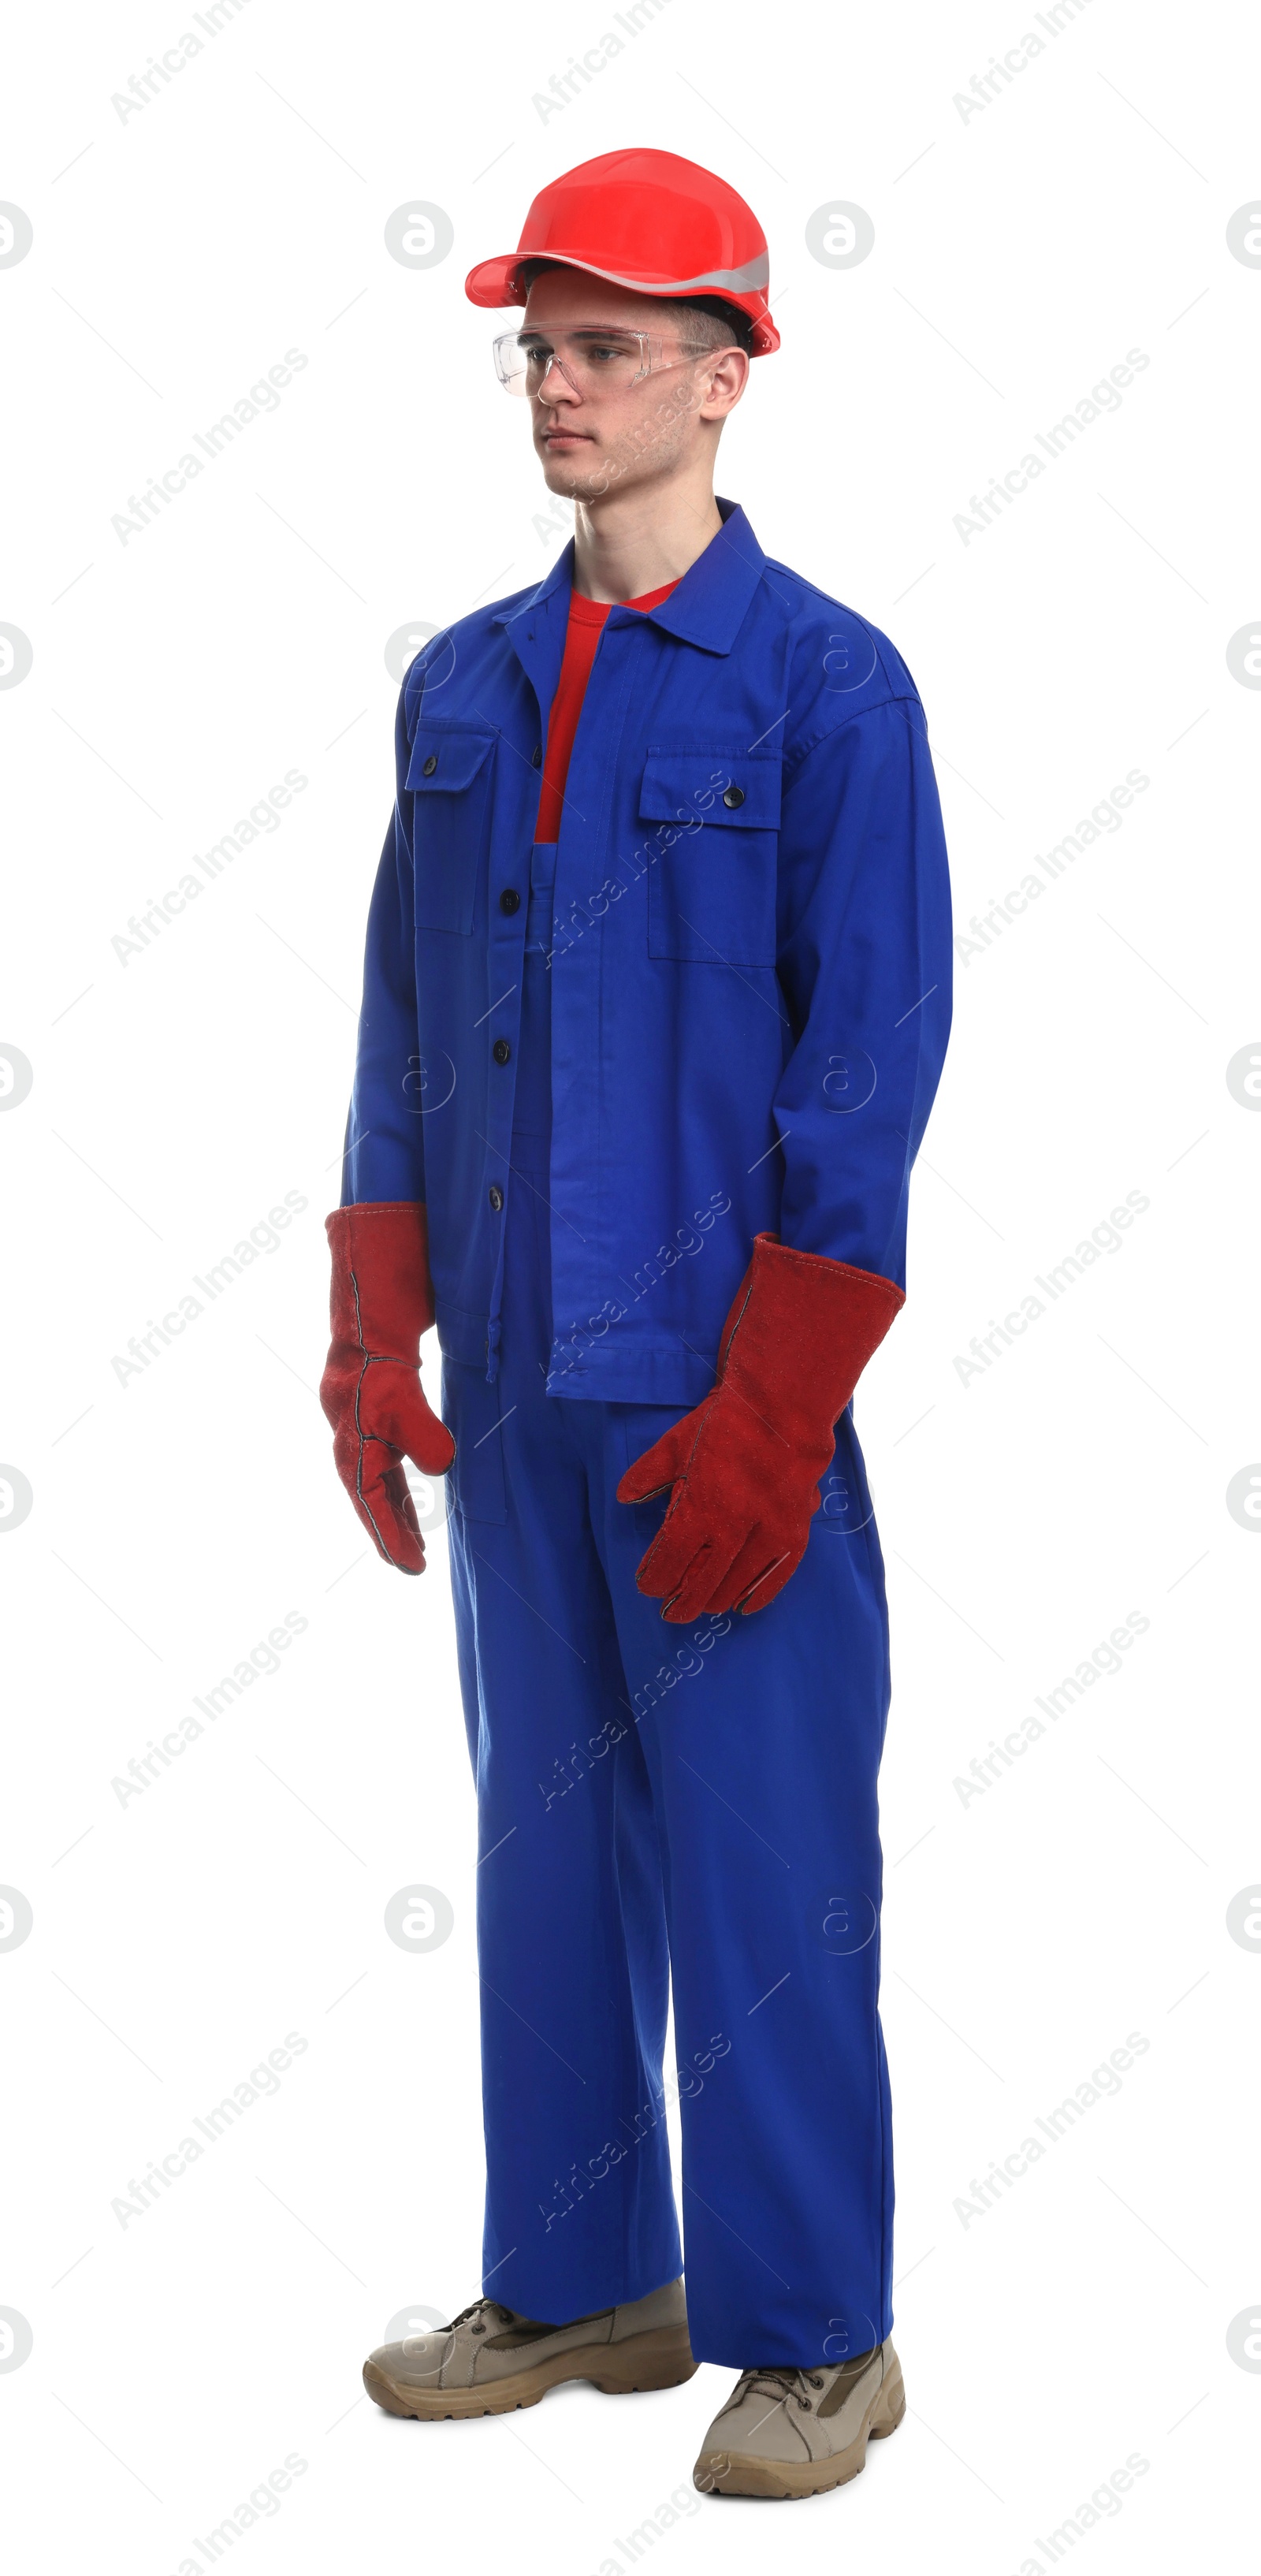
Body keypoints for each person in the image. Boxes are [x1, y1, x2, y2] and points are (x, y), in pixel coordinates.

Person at [320, 147, 952, 2500]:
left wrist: (784, 1399)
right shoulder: (466, 685)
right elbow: (403, 1009)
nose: (555, 385)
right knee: (544, 1845)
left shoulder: (826, 687)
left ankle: (820, 2335)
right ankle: (589, 2274)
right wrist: (375, 1316)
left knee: (765, 1861)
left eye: (599, 347)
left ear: (723, 372)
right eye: (537, 345)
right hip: (513, 1383)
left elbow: (868, 1057)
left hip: (722, 1403)